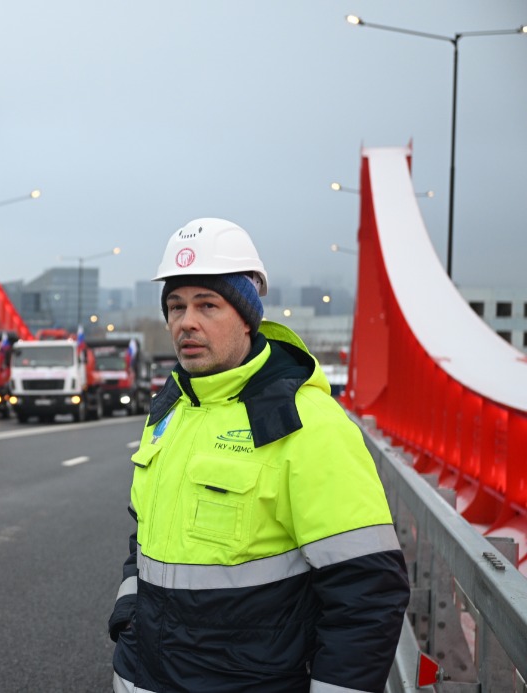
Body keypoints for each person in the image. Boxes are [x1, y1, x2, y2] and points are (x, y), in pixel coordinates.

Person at [108, 218, 409, 692]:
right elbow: (143, 537)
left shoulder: (306, 421)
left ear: (247, 317)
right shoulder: (173, 407)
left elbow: (369, 592)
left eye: (208, 305)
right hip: (141, 680)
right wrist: (128, 615)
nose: (186, 321)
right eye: (176, 305)